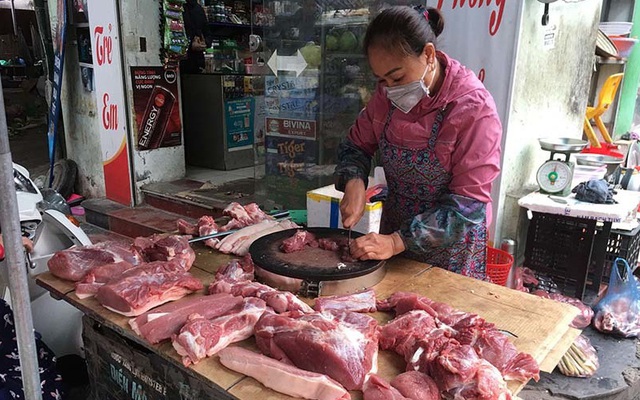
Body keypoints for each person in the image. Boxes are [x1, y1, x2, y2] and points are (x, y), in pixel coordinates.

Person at [335, 6, 502, 280]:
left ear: (428, 54)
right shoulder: (385, 97)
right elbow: (356, 145)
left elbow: (467, 206)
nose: (390, 88)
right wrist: (354, 182)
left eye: (398, 77)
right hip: (393, 242)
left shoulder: (473, 110)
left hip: (451, 254)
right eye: (382, 80)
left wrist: (395, 242)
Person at [181, 0, 213, 74]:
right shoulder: (179, 7)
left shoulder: (199, 9)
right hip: (181, 60)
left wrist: (205, 43)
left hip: (197, 60)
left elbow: (208, 33)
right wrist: (190, 45)